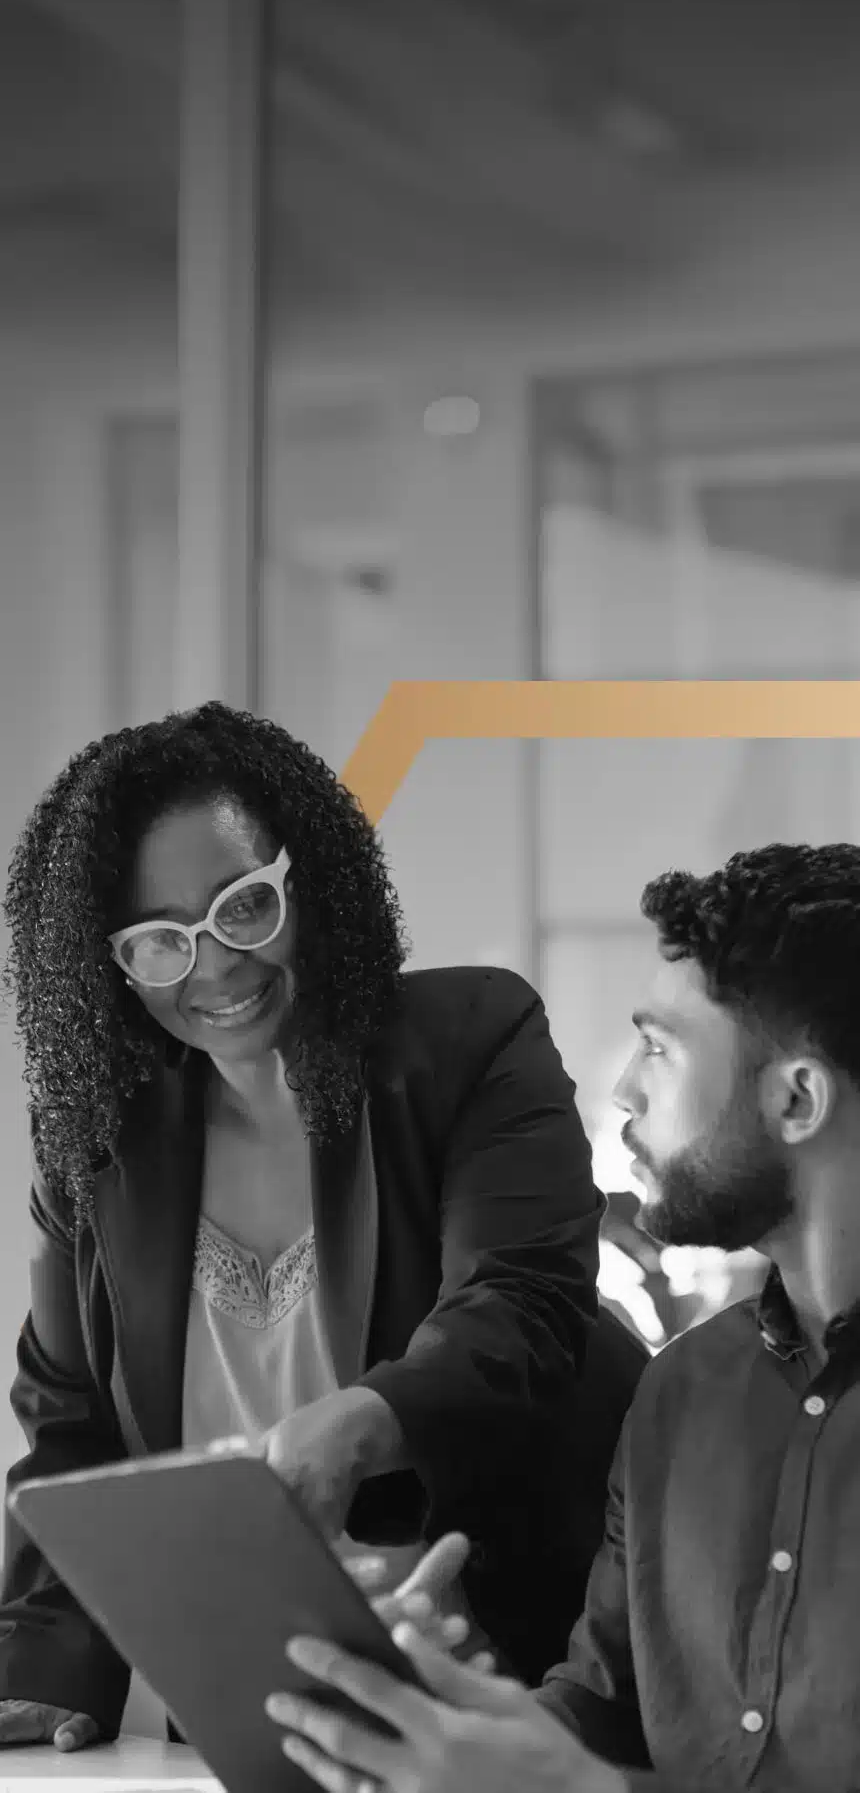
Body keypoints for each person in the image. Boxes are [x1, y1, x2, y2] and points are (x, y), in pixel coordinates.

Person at [0, 700, 646, 1753]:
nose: (212, 968)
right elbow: (70, 1426)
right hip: (229, 1699)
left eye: (242, 908)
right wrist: (38, 1673)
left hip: (498, 1684)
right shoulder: (96, 1141)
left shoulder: (471, 1040)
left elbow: (519, 1305)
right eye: (160, 942)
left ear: (309, 879)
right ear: (107, 965)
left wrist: (360, 1422)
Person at [265, 842, 860, 1793]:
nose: (623, 1090)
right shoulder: (681, 1390)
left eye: (661, 1048)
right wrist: (455, 1719)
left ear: (797, 1098)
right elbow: (601, 1707)